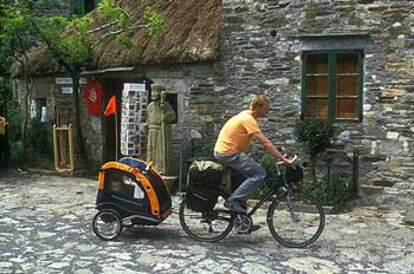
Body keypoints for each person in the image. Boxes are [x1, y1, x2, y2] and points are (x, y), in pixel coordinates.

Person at [214, 95, 294, 213]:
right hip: (228, 153)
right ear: (258, 107)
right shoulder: (248, 119)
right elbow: (265, 142)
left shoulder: (247, 115)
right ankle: (233, 201)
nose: (268, 111)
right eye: (266, 108)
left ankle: (240, 217)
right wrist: (282, 158)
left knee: (246, 177)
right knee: (259, 173)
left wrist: (279, 154)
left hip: (227, 151)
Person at [146, 85, 176, 175]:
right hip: (151, 130)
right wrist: (147, 125)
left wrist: (165, 117)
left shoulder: (164, 105)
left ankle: (160, 168)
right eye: (152, 92)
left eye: (156, 92)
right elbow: (148, 117)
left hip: (160, 130)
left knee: (159, 151)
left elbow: (172, 115)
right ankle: (150, 166)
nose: (153, 94)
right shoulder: (150, 106)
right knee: (151, 149)